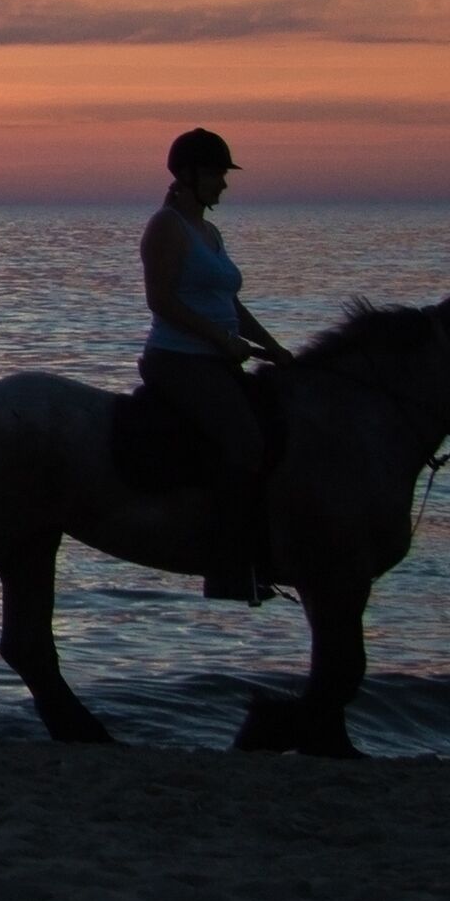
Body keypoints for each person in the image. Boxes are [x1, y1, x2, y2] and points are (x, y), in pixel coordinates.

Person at [137, 126, 289, 600]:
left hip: (216, 360)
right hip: (179, 361)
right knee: (244, 443)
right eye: (216, 173)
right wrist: (223, 342)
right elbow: (161, 300)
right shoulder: (166, 227)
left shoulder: (210, 232)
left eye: (223, 174)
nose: (224, 183)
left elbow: (230, 305)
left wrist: (276, 348)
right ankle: (225, 567)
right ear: (186, 176)